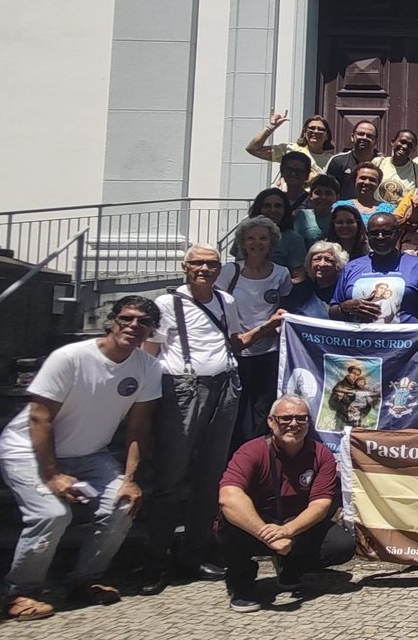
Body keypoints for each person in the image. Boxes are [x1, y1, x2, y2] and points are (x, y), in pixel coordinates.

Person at [0, 297, 162, 621]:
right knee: (52, 514)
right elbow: (39, 418)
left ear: (151, 330)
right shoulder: (70, 357)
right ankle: (20, 593)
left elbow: (139, 428)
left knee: (123, 505)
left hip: (90, 454)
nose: (133, 326)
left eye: (143, 322)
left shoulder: (148, 367)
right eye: (126, 318)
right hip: (27, 450)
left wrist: (130, 480)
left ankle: (85, 581)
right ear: (112, 320)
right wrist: (52, 474)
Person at [142, 245, 283, 595]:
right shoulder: (167, 304)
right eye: (197, 263)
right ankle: (156, 561)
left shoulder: (226, 301)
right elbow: (150, 353)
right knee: (171, 476)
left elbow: (235, 343)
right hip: (182, 389)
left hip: (226, 387)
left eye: (211, 264)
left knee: (211, 476)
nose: (204, 269)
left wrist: (266, 328)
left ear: (220, 269)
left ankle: (193, 554)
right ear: (185, 266)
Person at [215, 396, 352, 613]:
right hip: (256, 524)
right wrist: (265, 533)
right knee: (229, 522)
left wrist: (287, 531)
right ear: (271, 422)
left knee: (342, 544)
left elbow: (321, 504)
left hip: (293, 525)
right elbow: (229, 496)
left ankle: (291, 567)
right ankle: (241, 583)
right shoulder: (251, 451)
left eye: (301, 418)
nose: (294, 424)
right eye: (286, 418)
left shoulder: (321, 454)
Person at [218, 217, 292, 442]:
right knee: (235, 410)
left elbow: (283, 307)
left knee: (263, 410)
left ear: (271, 243)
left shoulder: (282, 273)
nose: (257, 243)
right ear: (242, 243)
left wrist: (276, 325)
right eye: (251, 238)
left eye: (263, 238)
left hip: (269, 354)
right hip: (237, 354)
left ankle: (258, 451)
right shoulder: (230, 271)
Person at [330, 213, 418, 323]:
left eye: (386, 233)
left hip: (405, 334)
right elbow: (333, 312)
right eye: (374, 233)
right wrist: (344, 308)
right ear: (367, 235)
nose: (380, 237)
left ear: (398, 234)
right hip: (360, 334)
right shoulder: (352, 267)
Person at [245, 111, 334, 185]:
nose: (315, 131)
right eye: (312, 128)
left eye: (320, 129)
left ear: (327, 135)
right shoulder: (290, 149)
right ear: (304, 133)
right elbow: (253, 149)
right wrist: (271, 127)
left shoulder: (332, 161)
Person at [244, 188, 308, 277]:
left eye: (278, 206)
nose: (273, 210)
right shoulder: (244, 234)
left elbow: (298, 276)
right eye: (267, 206)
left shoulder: (294, 239)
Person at [284, 242, 347, 320]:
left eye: (328, 260)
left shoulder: (344, 291)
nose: (322, 264)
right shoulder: (298, 291)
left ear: (338, 265)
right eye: (317, 259)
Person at [322, 119, 378, 199]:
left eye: (369, 136)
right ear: (352, 137)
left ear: (376, 141)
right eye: (361, 134)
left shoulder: (383, 163)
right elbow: (327, 190)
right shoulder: (338, 161)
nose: (364, 138)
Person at [292, 174, 340, 251]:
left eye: (328, 193)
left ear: (337, 197)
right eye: (318, 193)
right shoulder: (300, 216)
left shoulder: (340, 217)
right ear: (310, 196)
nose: (323, 197)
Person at [376, 129, 418, 197]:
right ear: (392, 142)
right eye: (402, 142)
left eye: (410, 145)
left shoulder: (417, 170)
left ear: (413, 150)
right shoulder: (378, 163)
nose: (405, 147)